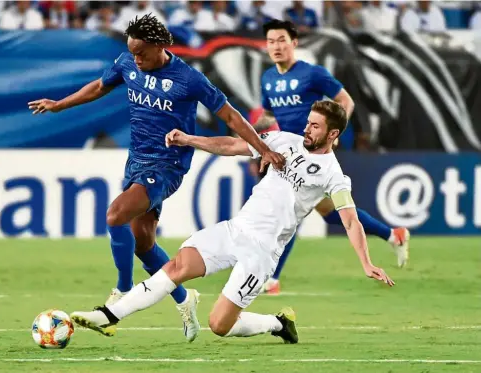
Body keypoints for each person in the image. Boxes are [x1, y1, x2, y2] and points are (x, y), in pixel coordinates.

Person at [27, 14, 285, 342]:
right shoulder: (127, 63)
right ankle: (184, 299)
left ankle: (120, 293)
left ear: (161, 46)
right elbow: (99, 86)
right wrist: (60, 105)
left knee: (115, 214)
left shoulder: (189, 79)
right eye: (132, 53)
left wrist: (262, 147)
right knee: (143, 244)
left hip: (167, 165)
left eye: (142, 53)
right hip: (136, 161)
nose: (136, 59)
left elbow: (231, 116)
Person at [70, 100, 395, 343]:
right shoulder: (284, 140)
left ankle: (278, 324)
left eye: (315, 126)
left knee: (219, 325)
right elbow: (233, 145)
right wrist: (189, 139)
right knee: (177, 267)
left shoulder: (333, 175)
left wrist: (366, 262)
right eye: (308, 123)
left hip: (262, 253)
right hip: (235, 230)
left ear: (333, 133)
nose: (307, 129)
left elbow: (350, 220)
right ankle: (108, 315)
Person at [252, 19, 409, 295]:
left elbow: (346, 101)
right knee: (328, 212)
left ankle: (272, 278)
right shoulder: (268, 78)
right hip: (290, 154)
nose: (276, 46)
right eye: (271, 41)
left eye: (281, 40)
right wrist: (251, 128)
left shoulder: (313, 74)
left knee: (291, 210)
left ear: (294, 43)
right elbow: (269, 115)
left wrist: (332, 137)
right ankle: (392, 234)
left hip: (313, 154)